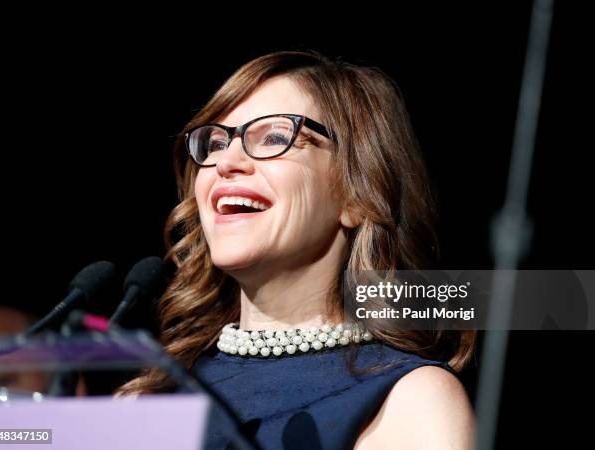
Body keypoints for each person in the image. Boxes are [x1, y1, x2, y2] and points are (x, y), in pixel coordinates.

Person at [117, 51, 476, 449]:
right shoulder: (147, 400)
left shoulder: (408, 402)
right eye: (216, 142)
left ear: (356, 195)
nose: (226, 163)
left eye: (273, 137)